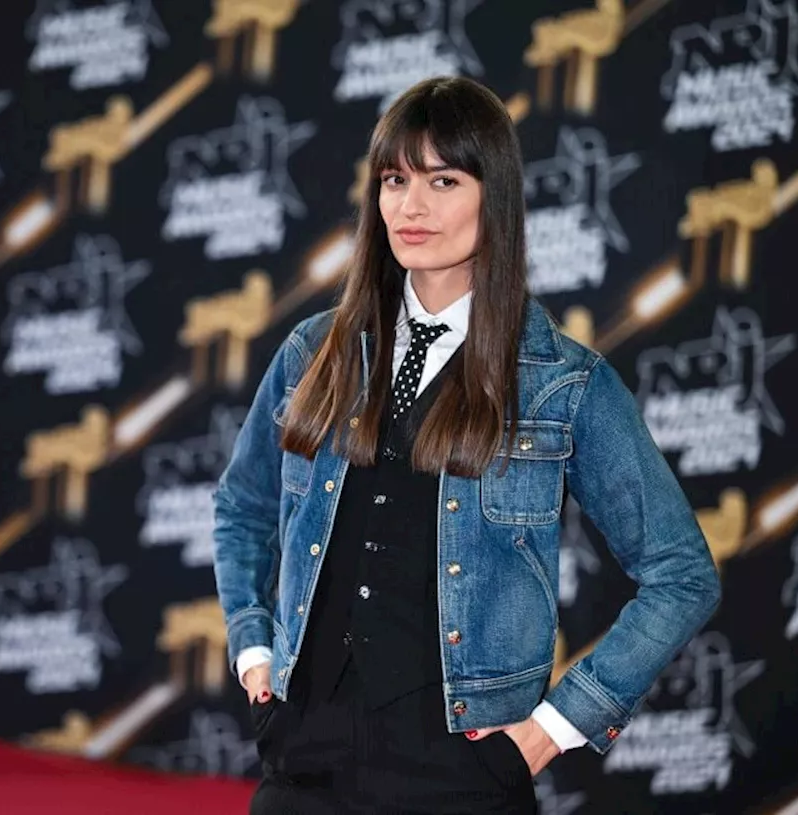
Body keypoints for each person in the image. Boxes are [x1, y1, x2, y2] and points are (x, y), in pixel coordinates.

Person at [210, 76, 722, 814]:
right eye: (394, 179)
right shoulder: (313, 352)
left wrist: (550, 730)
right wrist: (255, 649)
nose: (410, 207)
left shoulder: (563, 383)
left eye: (442, 180)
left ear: (496, 197)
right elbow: (242, 504)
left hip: (460, 778)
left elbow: (682, 573)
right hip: (304, 763)